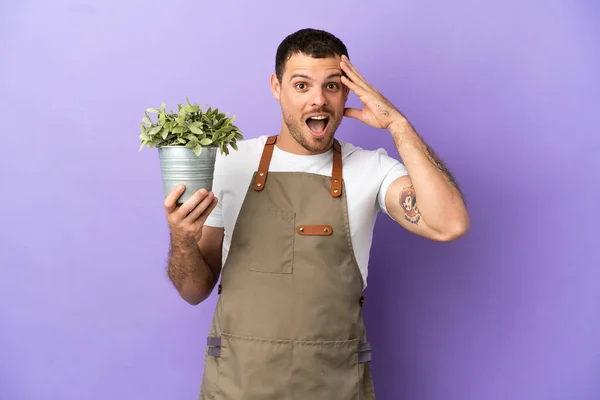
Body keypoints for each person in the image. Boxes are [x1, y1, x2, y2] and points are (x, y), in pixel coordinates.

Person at [163, 28, 470, 399]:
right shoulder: (230, 162)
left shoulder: (371, 168)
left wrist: (397, 125)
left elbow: (449, 224)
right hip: (237, 386)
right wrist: (181, 240)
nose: (318, 102)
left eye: (332, 86)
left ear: (346, 94)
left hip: (334, 387)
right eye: (302, 85)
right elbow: (194, 290)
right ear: (277, 87)